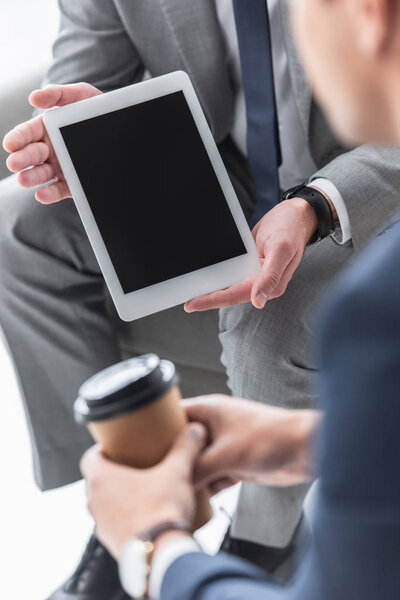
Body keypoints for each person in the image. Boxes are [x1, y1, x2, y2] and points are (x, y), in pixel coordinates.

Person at [2, 0, 400, 598]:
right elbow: (87, 89)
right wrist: (96, 136)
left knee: (267, 318)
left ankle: (265, 547)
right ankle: (125, 496)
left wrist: (316, 202)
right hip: (214, 172)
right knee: (15, 227)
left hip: (358, 195)